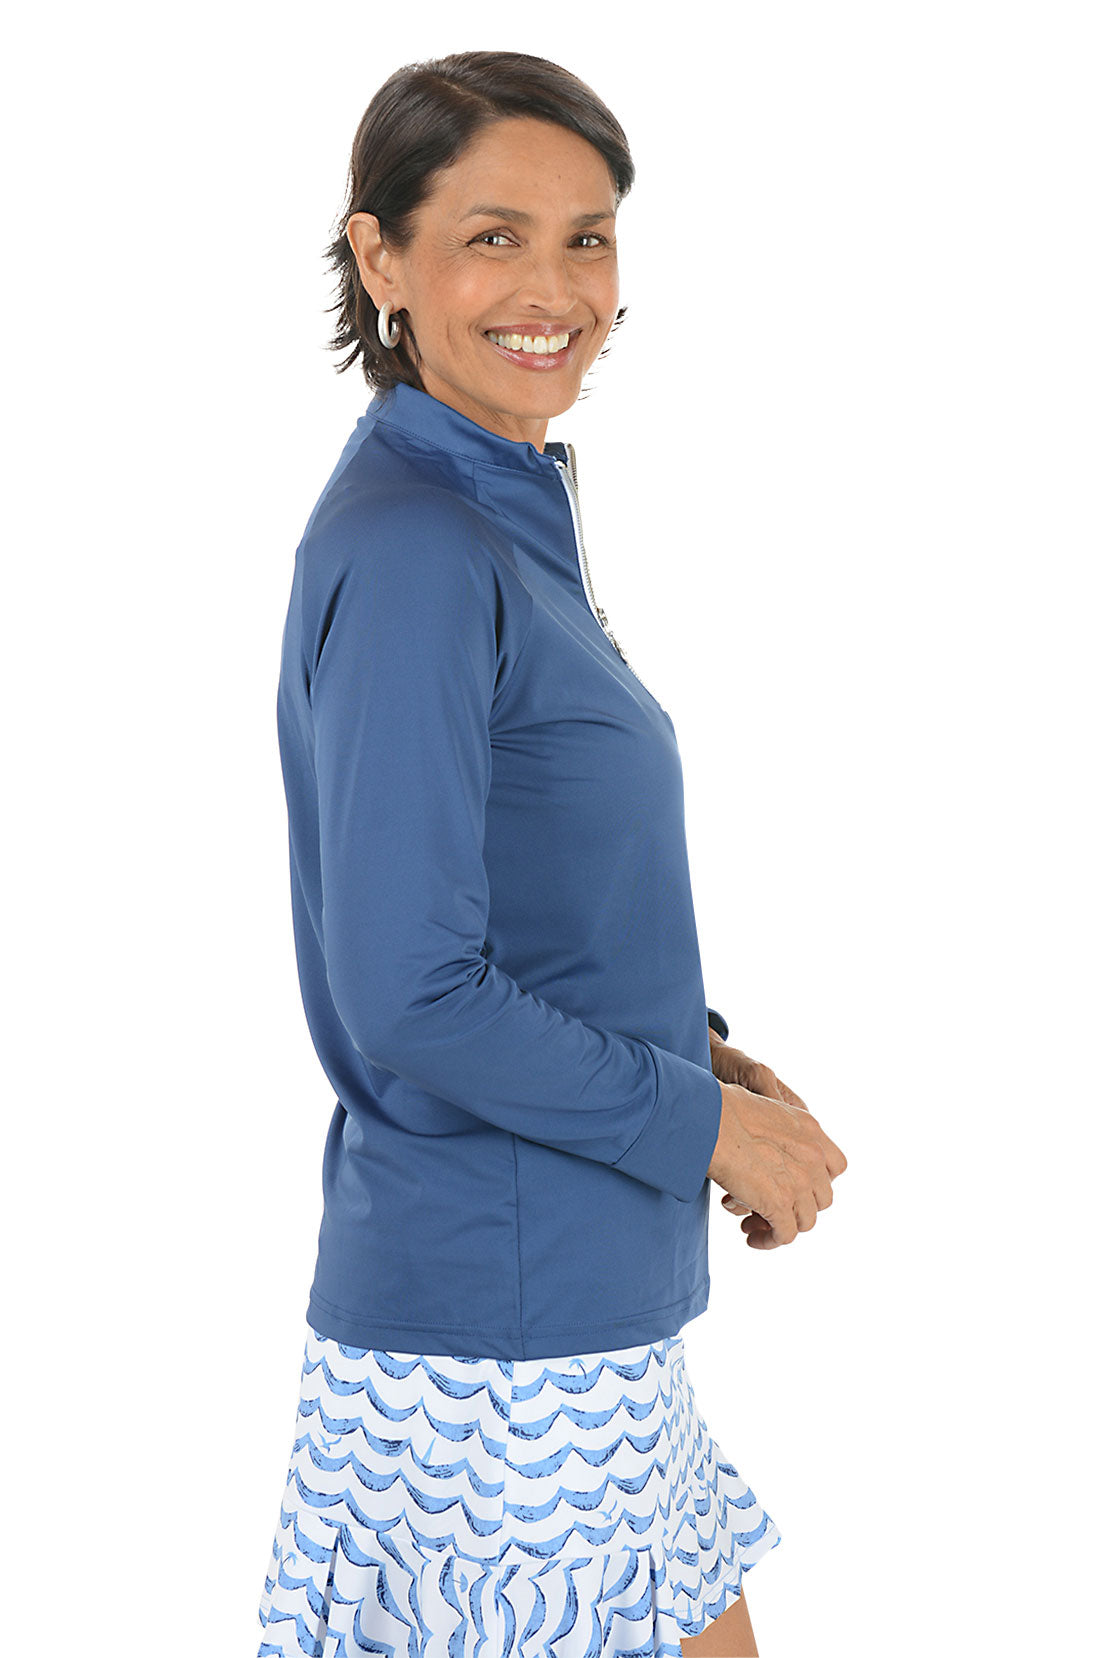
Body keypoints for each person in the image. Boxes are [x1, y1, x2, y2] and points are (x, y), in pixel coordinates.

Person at [255, 49, 847, 1658]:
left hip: (575, 1310)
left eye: (587, 238)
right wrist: (701, 1126)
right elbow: (414, 993)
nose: (553, 287)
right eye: (493, 235)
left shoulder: (503, 502)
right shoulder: (416, 547)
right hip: (498, 1359)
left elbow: (524, 903)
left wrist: (711, 1060)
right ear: (380, 257)